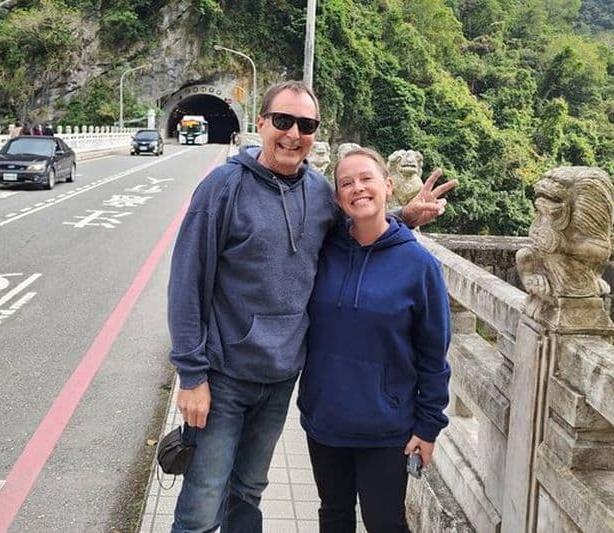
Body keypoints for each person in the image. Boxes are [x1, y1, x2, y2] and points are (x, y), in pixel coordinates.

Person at [167, 80, 457, 532]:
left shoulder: (320, 192)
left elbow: (360, 230)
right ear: (260, 124)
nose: (292, 133)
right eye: (282, 121)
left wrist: (404, 217)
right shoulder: (224, 187)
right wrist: (191, 374)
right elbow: (187, 280)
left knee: (248, 492)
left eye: (306, 124)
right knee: (202, 504)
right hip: (222, 377)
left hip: (281, 378)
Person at [298, 147, 451, 532]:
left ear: (388, 185)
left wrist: (428, 425)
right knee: (333, 514)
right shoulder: (323, 251)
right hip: (325, 418)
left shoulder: (419, 266)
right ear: (336, 198)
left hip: (386, 426)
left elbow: (434, 355)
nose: (358, 188)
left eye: (367, 179)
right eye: (346, 183)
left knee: (384, 522)